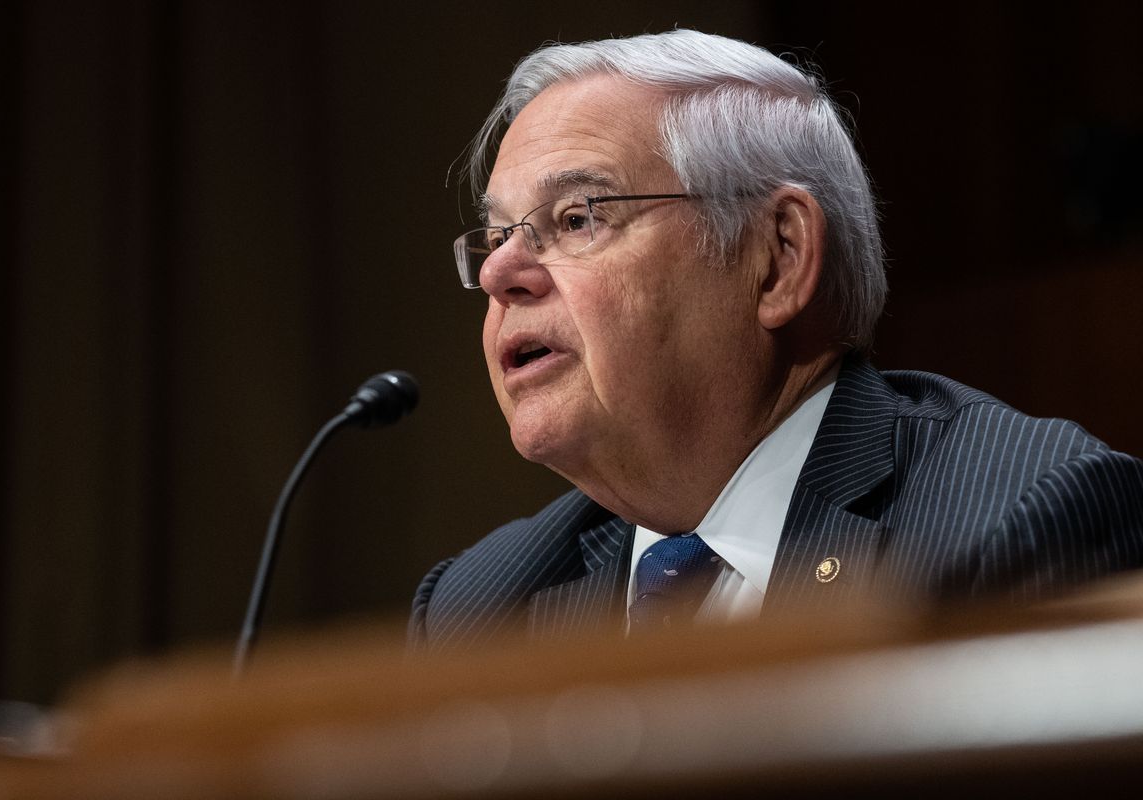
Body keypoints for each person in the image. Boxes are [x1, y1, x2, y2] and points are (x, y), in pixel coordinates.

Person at [410, 30, 1143, 652]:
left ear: (778, 258)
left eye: (576, 218)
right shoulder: (479, 606)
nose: (502, 269)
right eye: (499, 234)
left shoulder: (1017, 521)